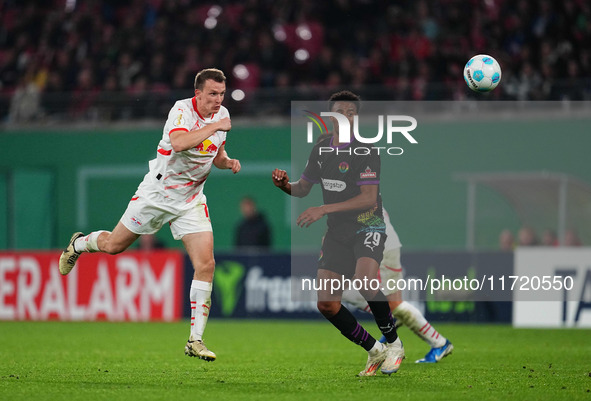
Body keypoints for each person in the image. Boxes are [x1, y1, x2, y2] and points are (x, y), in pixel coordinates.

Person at [58, 68, 240, 362]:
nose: (218, 100)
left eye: (222, 94)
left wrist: (228, 161)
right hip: (157, 195)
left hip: (191, 200)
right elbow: (180, 143)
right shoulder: (181, 110)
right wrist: (216, 125)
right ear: (198, 94)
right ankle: (79, 243)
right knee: (114, 246)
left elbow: (215, 153)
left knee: (206, 264)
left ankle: (195, 339)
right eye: (212, 94)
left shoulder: (221, 116)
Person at [272, 90, 404, 377]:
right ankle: (374, 350)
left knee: (365, 280)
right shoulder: (320, 150)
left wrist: (323, 208)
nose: (345, 115)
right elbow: (303, 188)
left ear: (356, 118)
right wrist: (284, 185)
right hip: (337, 233)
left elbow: (368, 198)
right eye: (339, 111)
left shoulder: (366, 151)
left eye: (350, 112)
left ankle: (394, 344)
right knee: (327, 304)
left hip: (368, 226)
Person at [342, 208, 453, 363]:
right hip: (373, 243)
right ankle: (391, 318)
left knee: (394, 304)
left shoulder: (353, 191)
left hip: (379, 245)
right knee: (343, 290)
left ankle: (440, 343)